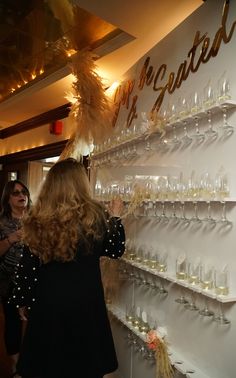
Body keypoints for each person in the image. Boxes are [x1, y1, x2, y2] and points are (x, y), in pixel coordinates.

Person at [11, 158, 126, 378]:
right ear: (82, 183)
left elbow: (27, 267)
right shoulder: (96, 217)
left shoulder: (37, 219)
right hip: (86, 304)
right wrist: (116, 217)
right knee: (84, 366)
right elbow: (114, 249)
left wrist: (22, 301)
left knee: (49, 365)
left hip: (48, 304)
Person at [0, 180, 31, 378]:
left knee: (35, 320)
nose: (21, 195)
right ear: (8, 199)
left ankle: (31, 361)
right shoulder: (2, 222)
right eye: (15, 193)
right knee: (12, 322)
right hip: (8, 280)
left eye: (23, 192)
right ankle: (15, 365)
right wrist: (12, 238)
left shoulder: (37, 219)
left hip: (34, 279)